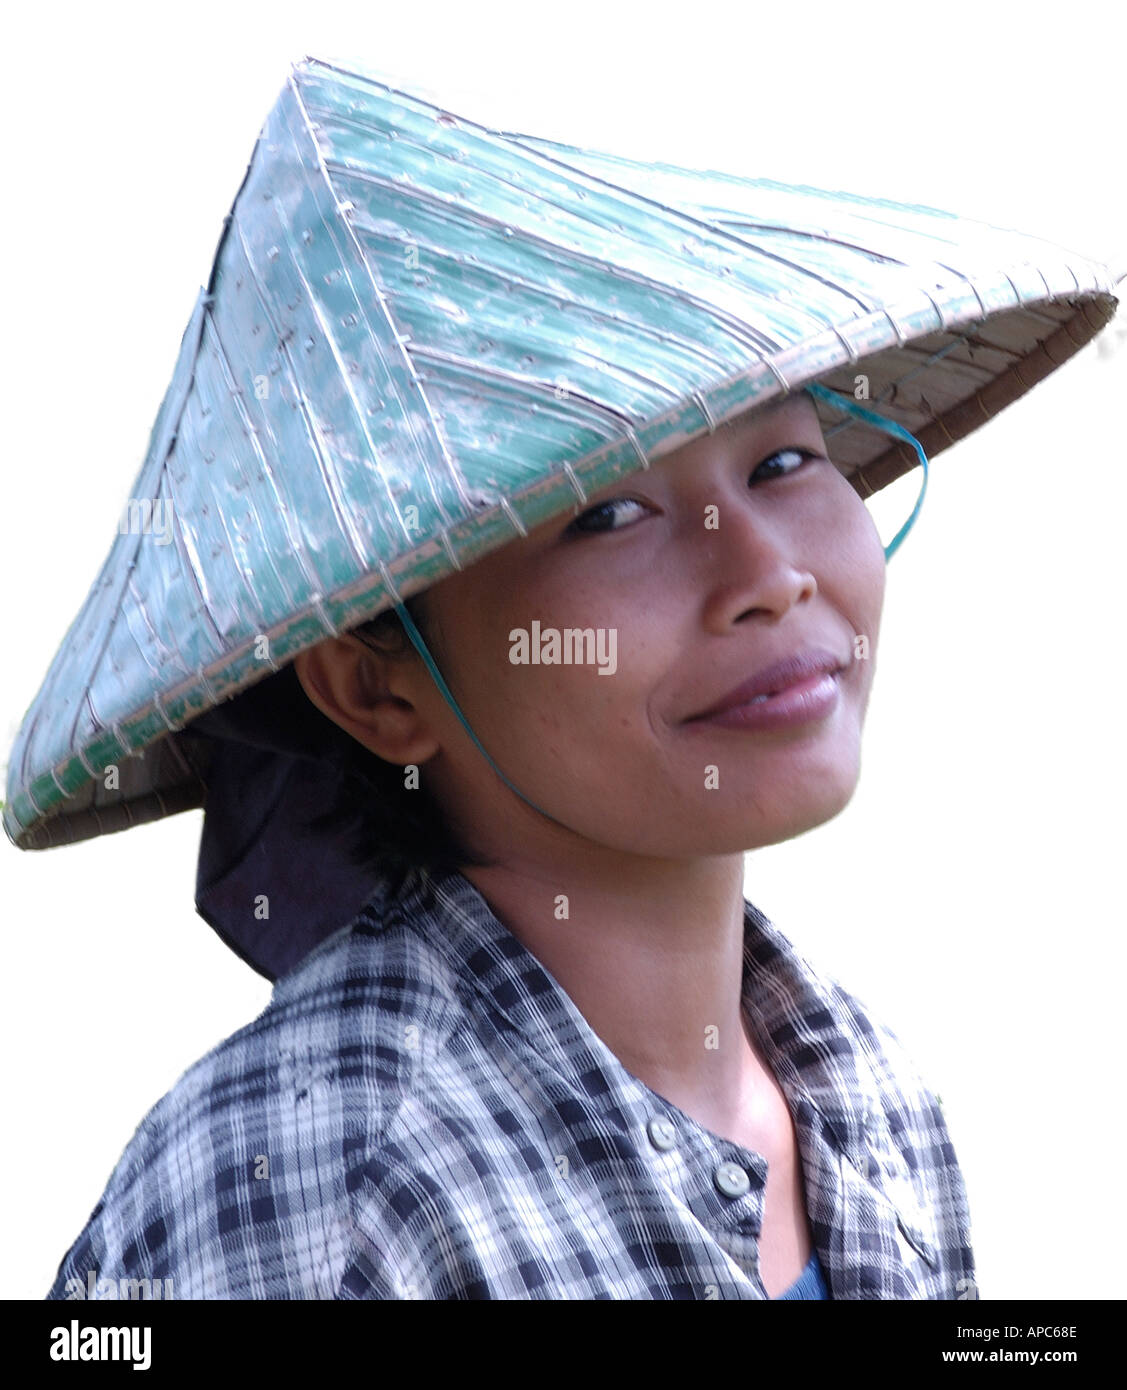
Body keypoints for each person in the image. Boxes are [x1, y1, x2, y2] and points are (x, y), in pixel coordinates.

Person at [8, 55, 1118, 1300]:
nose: (764, 572)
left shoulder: (869, 1103)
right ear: (380, 689)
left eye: (785, 462)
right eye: (607, 515)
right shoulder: (313, 1177)